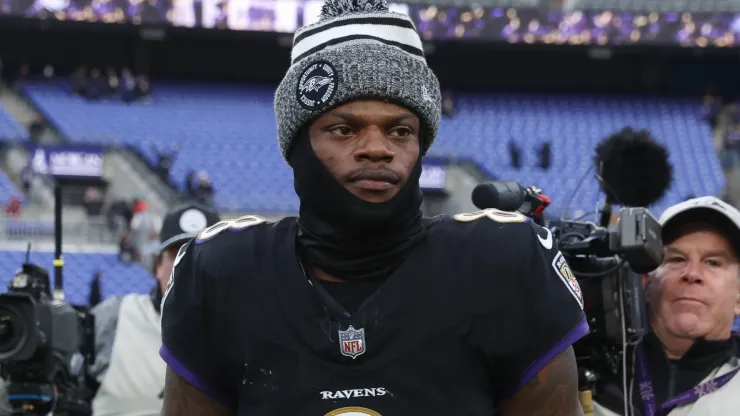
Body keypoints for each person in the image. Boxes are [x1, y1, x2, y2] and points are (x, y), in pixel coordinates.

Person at [160, 0, 588, 414]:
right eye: (344, 129)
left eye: (400, 130)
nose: (377, 149)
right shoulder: (221, 272)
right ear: (298, 146)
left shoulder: (503, 260)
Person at [594, 196, 740, 416]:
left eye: (713, 262)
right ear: (646, 282)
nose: (692, 274)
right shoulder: (586, 372)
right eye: (676, 259)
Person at [89, 203, 219, 415]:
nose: (189, 268)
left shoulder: (243, 331)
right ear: (158, 266)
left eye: (204, 256)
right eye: (179, 255)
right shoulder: (115, 316)